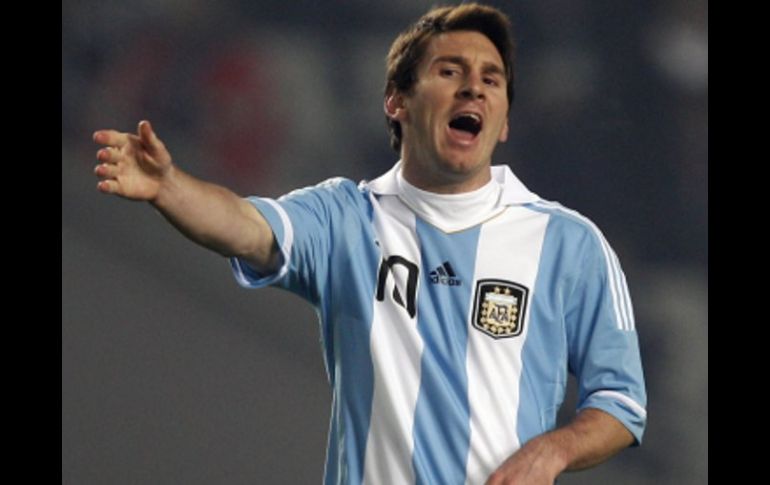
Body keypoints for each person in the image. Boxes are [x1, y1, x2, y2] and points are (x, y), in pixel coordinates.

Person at [93, 3, 646, 484]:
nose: (473, 86)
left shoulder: (570, 244)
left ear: (501, 122)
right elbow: (245, 226)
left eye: (491, 79)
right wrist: (169, 187)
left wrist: (551, 450)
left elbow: (622, 404)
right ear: (397, 102)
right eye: (449, 71)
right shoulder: (346, 219)